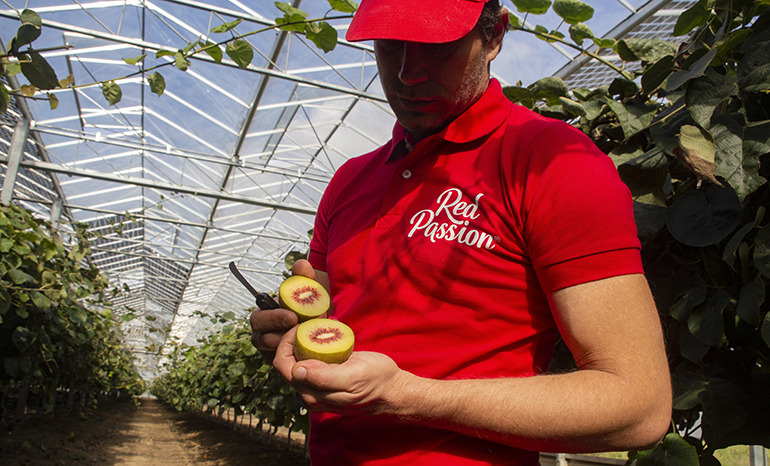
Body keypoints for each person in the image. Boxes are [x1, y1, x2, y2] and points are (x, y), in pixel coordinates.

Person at [250, 0, 672, 464]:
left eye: (438, 46)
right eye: (390, 46)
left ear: (493, 37)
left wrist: (405, 396)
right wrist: (288, 329)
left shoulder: (553, 162)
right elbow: (326, 317)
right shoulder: (349, 181)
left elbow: (639, 407)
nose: (409, 74)